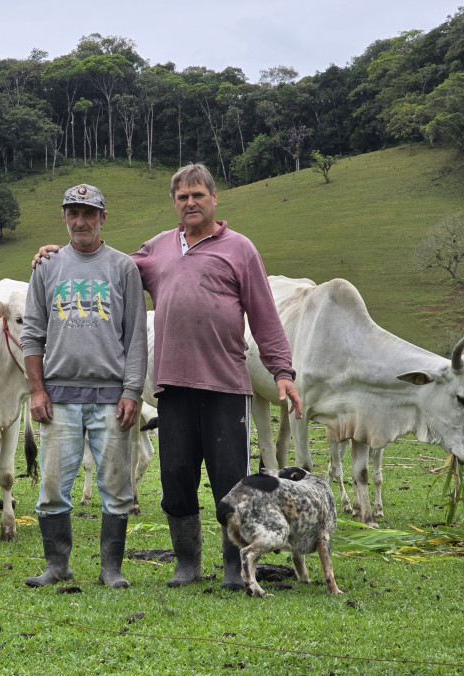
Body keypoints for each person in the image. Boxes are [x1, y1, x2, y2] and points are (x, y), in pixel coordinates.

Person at [33, 164, 301, 591]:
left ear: (215, 199)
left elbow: (265, 315)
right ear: (174, 203)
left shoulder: (240, 249)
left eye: (198, 195)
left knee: (231, 480)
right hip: (172, 387)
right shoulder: (156, 250)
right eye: (182, 197)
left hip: (226, 385)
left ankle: (235, 568)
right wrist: (57, 254)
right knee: (176, 479)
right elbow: (105, 265)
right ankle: (187, 564)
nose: (191, 203)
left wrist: (282, 371)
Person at [22, 183, 148, 589]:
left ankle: (111, 569)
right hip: (58, 397)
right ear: (64, 217)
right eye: (73, 214)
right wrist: (37, 391)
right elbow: (32, 335)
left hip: (111, 398)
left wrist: (132, 392)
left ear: (102, 218)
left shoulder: (123, 268)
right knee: (53, 486)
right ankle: (57, 565)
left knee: (115, 486)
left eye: (89, 214)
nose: (81, 222)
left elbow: (136, 339)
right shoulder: (47, 267)